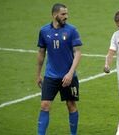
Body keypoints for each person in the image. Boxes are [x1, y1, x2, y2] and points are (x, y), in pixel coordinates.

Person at [36, 3, 82, 135]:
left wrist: (70, 73)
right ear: (54, 15)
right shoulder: (44, 31)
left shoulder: (72, 30)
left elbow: (77, 53)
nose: (66, 17)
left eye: (67, 14)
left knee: (71, 105)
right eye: (63, 14)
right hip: (50, 76)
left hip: (69, 77)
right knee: (44, 105)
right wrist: (38, 74)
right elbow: (41, 53)